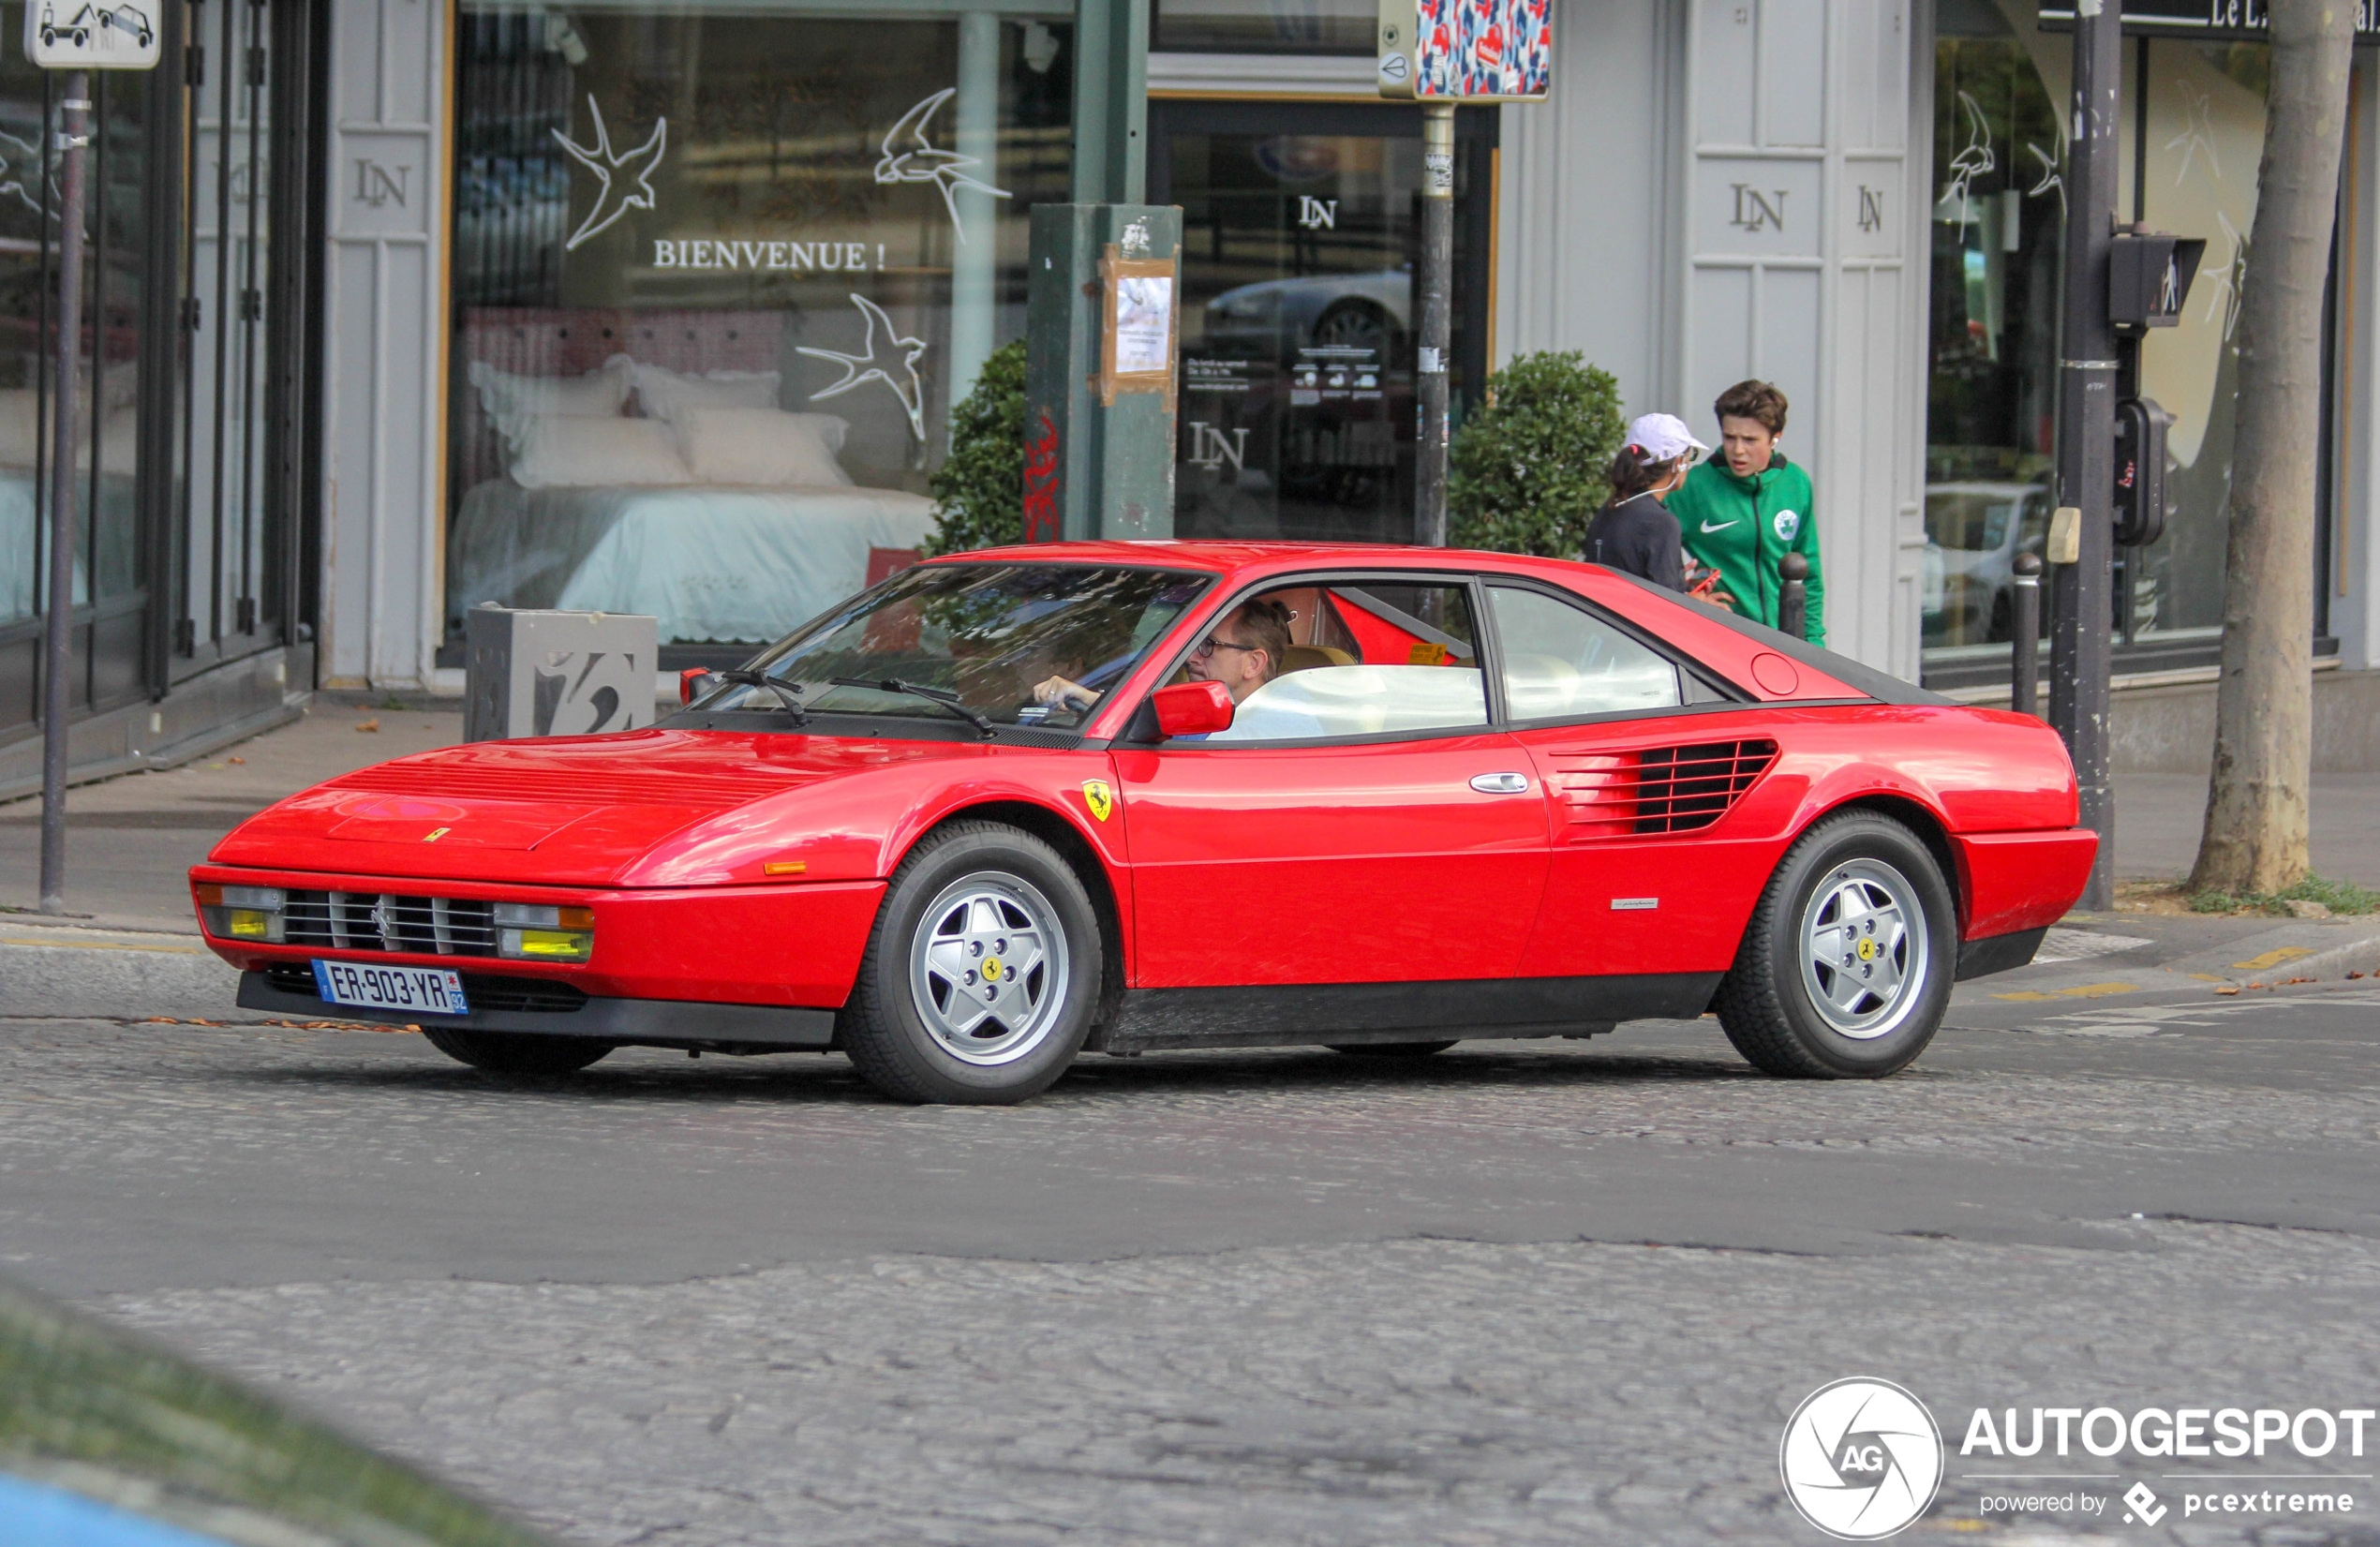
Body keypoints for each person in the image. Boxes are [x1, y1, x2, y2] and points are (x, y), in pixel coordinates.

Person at [1668, 379, 1824, 645]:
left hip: (1786, 644)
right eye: (1730, 437)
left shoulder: (1796, 483)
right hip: (1719, 644)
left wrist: (1813, 644)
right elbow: (1641, 554)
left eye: (1750, 440)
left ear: (1776, 438)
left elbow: (1810, 574)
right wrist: (1683, 597)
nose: (1737, 450)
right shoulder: (1692, 486)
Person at [1035, 597, 1291, 711]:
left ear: (1254, 663)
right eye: (1193, 644)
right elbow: (1142, 717)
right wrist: (1082, 698)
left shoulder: (1282, 733)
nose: (1191, 657)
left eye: (1208, 646)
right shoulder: (1199, 715)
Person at [1581, 413, 1707, 591]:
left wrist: (1676, 578)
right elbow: (1668, 607)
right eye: (1690, 455)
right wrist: (1697, 601)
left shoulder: (1610, 508)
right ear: (1678, 463)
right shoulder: (1660, 523)